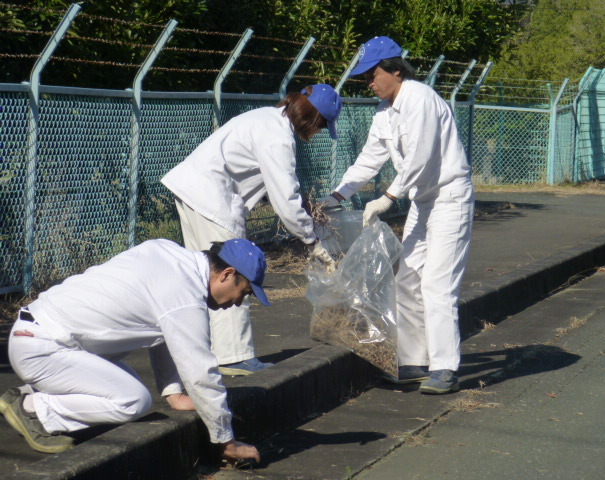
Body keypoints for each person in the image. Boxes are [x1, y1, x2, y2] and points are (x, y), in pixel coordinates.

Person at [0, 238, 267, 461]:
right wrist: (227, 442)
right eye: (244, 292)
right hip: (43, 347)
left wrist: (173, 393)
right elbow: (200, 372)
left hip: (40, 335)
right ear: (227, 274)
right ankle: (35, 407)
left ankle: (35, 394)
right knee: (132, 400)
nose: (237, 302)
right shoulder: (184, 294)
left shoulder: (169, 254)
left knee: (127, 386)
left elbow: (167, 333)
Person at [321, 37, 474, 394]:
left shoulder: (419, 99)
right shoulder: (385, 111)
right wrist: (338, 195)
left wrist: (389, 197)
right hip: (424, 201)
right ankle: (414, 361)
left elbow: (420, 157)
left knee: (437, 283)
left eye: (372, 75)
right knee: (407, 279)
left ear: (394, 69)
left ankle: (445, 368)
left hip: (450, 197)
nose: (368, 83)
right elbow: (369, 160)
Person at [161, 84, 342, 376]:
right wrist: (312, 240)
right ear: (313, 118)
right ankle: (234, 356)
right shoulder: (278, 138)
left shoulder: (265, 118)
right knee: (233, 274)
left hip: (192, 192)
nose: (318, 132)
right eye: (321, 126)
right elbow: (286, 198)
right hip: (212, 199)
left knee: (202, 277)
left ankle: (200, 352)